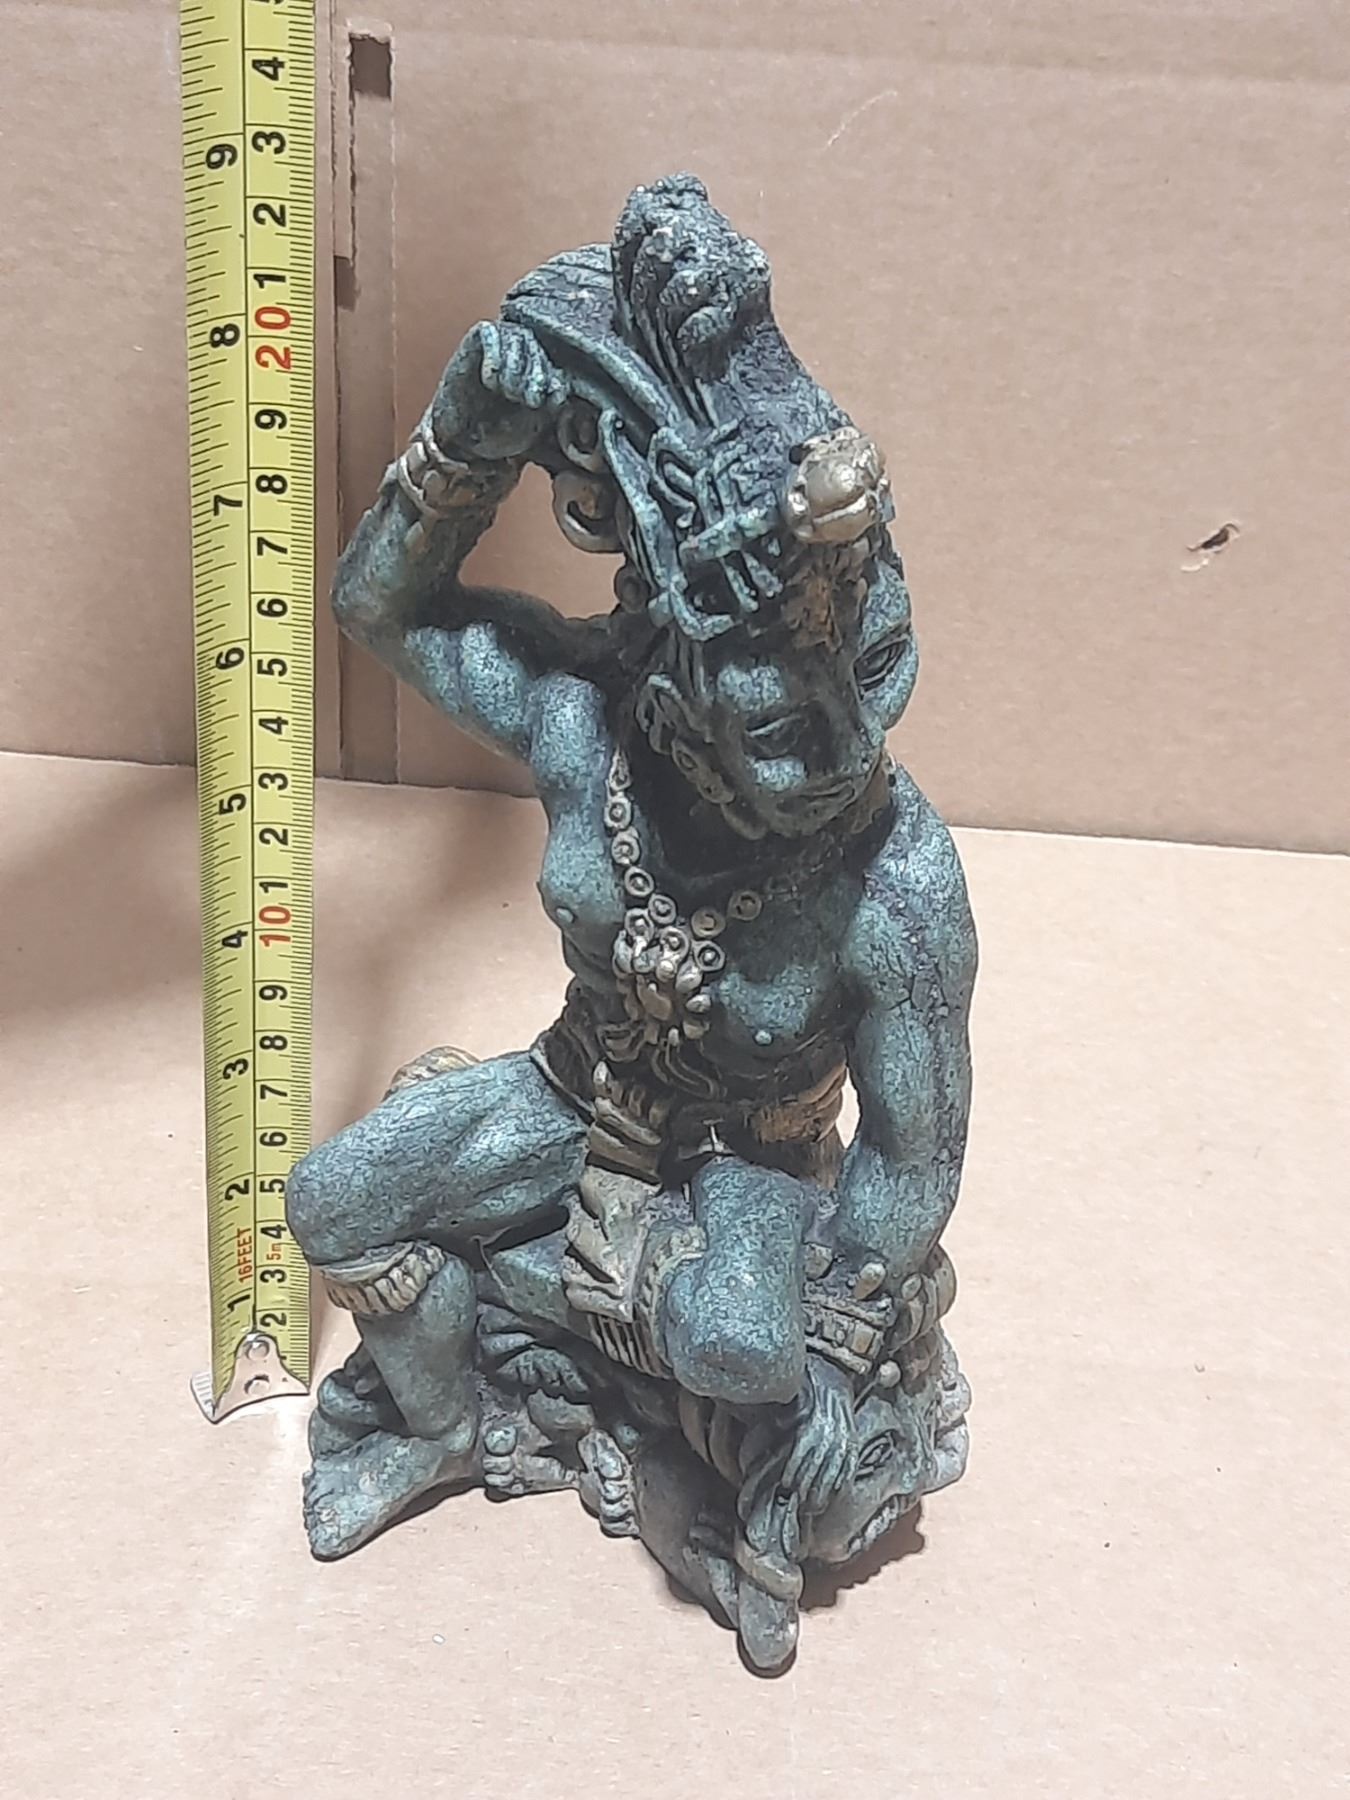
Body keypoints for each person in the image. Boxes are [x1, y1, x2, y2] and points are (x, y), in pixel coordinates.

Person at [287, 176, 976, 1580]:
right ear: (672, 696)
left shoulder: (897, 886)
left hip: (755, 1165)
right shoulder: (584, 727)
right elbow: (379, 609)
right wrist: (464, 445)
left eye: (879, 668)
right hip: (574, 1094)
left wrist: (845, 1320)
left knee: (737, 1342)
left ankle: (557, 1307)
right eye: (781, 730)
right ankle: (444, 1421)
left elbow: (909, 1164)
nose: (853, 746)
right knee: (332, 1201)